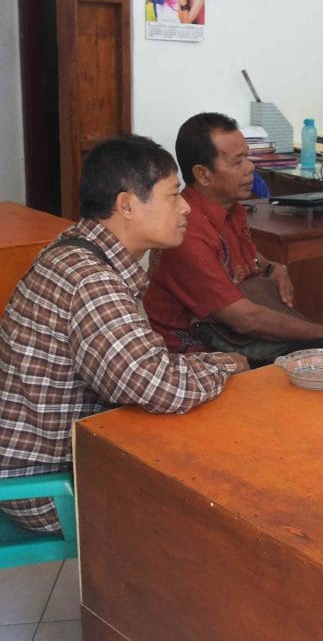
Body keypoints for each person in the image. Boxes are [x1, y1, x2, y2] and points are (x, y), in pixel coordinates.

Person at [0, 135, 249, 535]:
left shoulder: (75, 248)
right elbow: (156, 385)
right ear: (127, 204)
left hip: (35, 462)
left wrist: (204, 364)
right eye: (173, 195)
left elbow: (142, 367)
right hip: (45, 488)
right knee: (217, 492)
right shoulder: (91, 280)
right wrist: (225, 365)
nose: (186, 207)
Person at [144, 112, 323, 363]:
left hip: (240, 343)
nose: (250, 168)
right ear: (203, 174)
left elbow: (249, 259)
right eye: (237, 162)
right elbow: (245, 319)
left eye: (247, 156)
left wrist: (274, 267)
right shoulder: (185, 232)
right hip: (199, 360)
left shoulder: (232, 209)